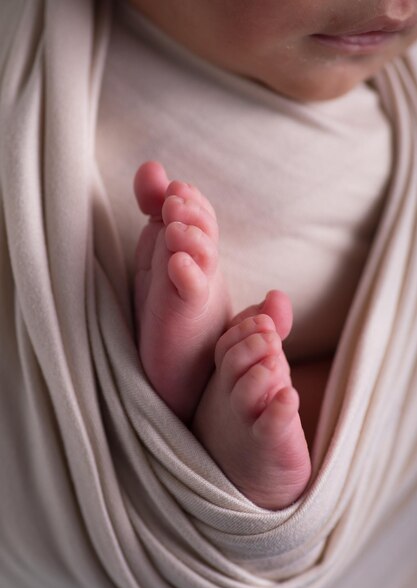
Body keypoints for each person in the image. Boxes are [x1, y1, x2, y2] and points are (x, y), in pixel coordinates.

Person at [131, 0, 417, 510]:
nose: (398, 10)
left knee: (354, 390)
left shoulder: (398, 96)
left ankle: (252, 430)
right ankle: (199, 380)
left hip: (346, 400)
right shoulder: (47, 79)